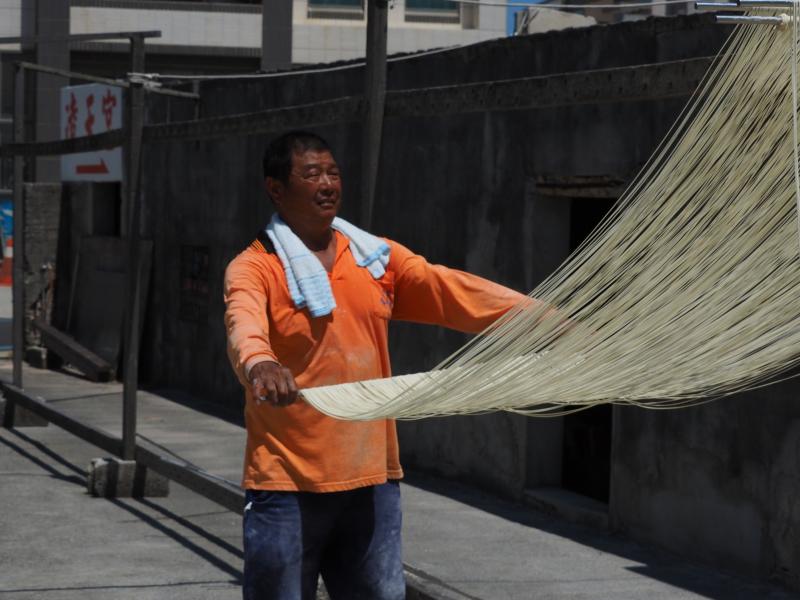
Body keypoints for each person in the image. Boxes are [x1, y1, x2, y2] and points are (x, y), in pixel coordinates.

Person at [224, 130, 542, 600]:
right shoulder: (256, 267)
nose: (328, 184)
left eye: (333, 173)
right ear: (276, 188)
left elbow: (452, 291)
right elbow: (243, 324)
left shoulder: (375, 260)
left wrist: (547, 321)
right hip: (287, 483)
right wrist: (260, 364)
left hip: (371, 479)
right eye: (312, 174)